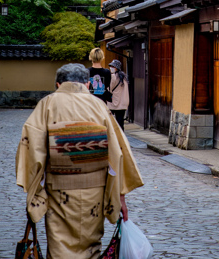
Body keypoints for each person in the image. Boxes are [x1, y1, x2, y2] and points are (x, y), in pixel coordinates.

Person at [16, 63, 143, 259]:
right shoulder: (99, 106)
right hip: (95, 193)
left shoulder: (47, 104)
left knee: (60, 248)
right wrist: (120, 196)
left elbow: (32, 151)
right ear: (87, 83)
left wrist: (34, 193)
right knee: (91, 246)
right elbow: (118, 152)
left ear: (58, 84)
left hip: (59, 192)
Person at [106, 59, 130, 129]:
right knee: (120, 122)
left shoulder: (113, 77)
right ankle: (121, 138)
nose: (111, 67)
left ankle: (114, 137)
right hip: (123, 103)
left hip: (114, 103)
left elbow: (109, 88)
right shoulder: (124, 77)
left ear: (116, 67)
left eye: (112, 66)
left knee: (111, 122)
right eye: (110, 66)